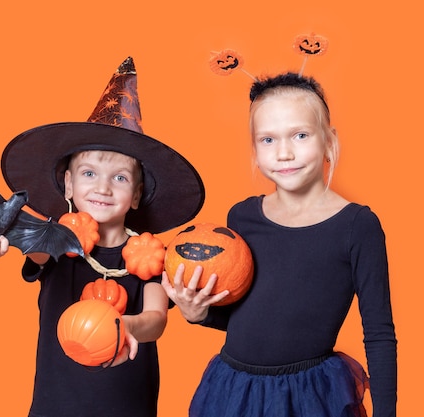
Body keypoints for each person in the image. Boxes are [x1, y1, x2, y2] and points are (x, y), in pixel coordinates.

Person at [0, 57, 205, 417]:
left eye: (120, 178)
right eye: (89, 173)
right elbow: (34, 248)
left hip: (128, 407)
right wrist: (1, 236)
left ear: (136, 195)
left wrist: (128, 326)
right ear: (69, 185)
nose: (103, 188)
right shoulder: (56, 241)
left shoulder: (149, 255)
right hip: (55, 406)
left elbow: (158, 318)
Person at [162, 72, 397, 417]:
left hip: (307, 396)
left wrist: (387, 413)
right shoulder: (241, 217)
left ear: (329, 141)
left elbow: (378, 332)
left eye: (300, 135)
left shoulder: (357, 226)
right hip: (233, 389)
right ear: (254, 150)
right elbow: (246, 316)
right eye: (268, 140)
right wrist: (199, 314)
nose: (284, 153)